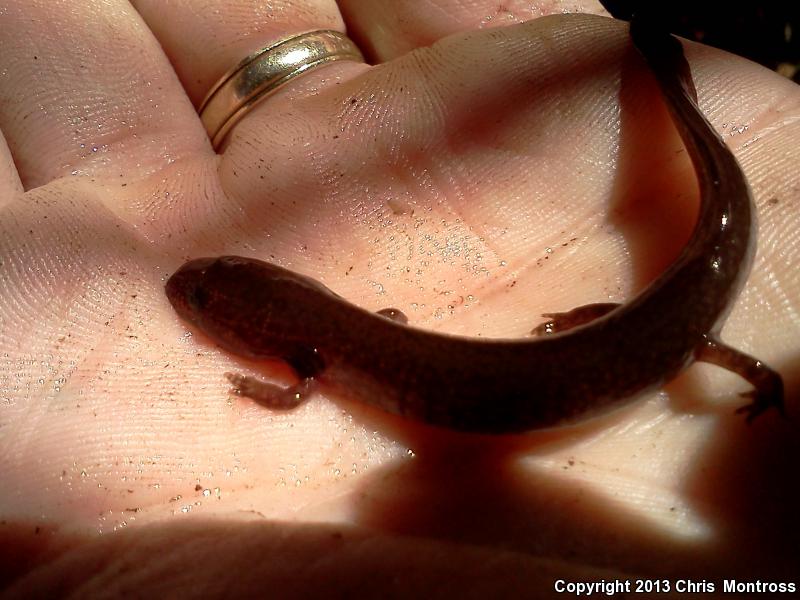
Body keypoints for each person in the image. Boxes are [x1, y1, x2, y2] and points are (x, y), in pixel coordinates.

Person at [1, 1, 796, 596]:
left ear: (295, 337)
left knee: (667, 332)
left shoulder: (310, 361)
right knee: (648, 325)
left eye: (206, 300)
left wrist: (256, 387)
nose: (191, 298)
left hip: (663, 338)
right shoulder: (320, 342)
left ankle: (754, 376)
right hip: (649, 337)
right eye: (208, 295)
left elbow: (300, 388)